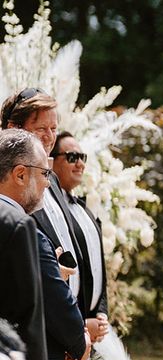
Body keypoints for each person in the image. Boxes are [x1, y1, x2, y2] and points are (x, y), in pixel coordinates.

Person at [2, 88, 95, 321]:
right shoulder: (11, 185)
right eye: (41, 129)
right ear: (14, 129)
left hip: (72, 324)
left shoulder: (52, 179)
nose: (50, 137)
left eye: (53, 129)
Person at [0, 129, 50, 360]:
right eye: (44, 173)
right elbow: (28, 330)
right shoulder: (17, 226)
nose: (48, 184)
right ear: (21, 174)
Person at [51, 131, 109, 343]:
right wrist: (82, 322)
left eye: (82, 157)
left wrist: (101, 312)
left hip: (94, 327)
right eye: (72, 157)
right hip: (70, 327)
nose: (80, 164)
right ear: (51, 160)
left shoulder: (85, 209)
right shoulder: (53, 214)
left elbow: (96, 266)